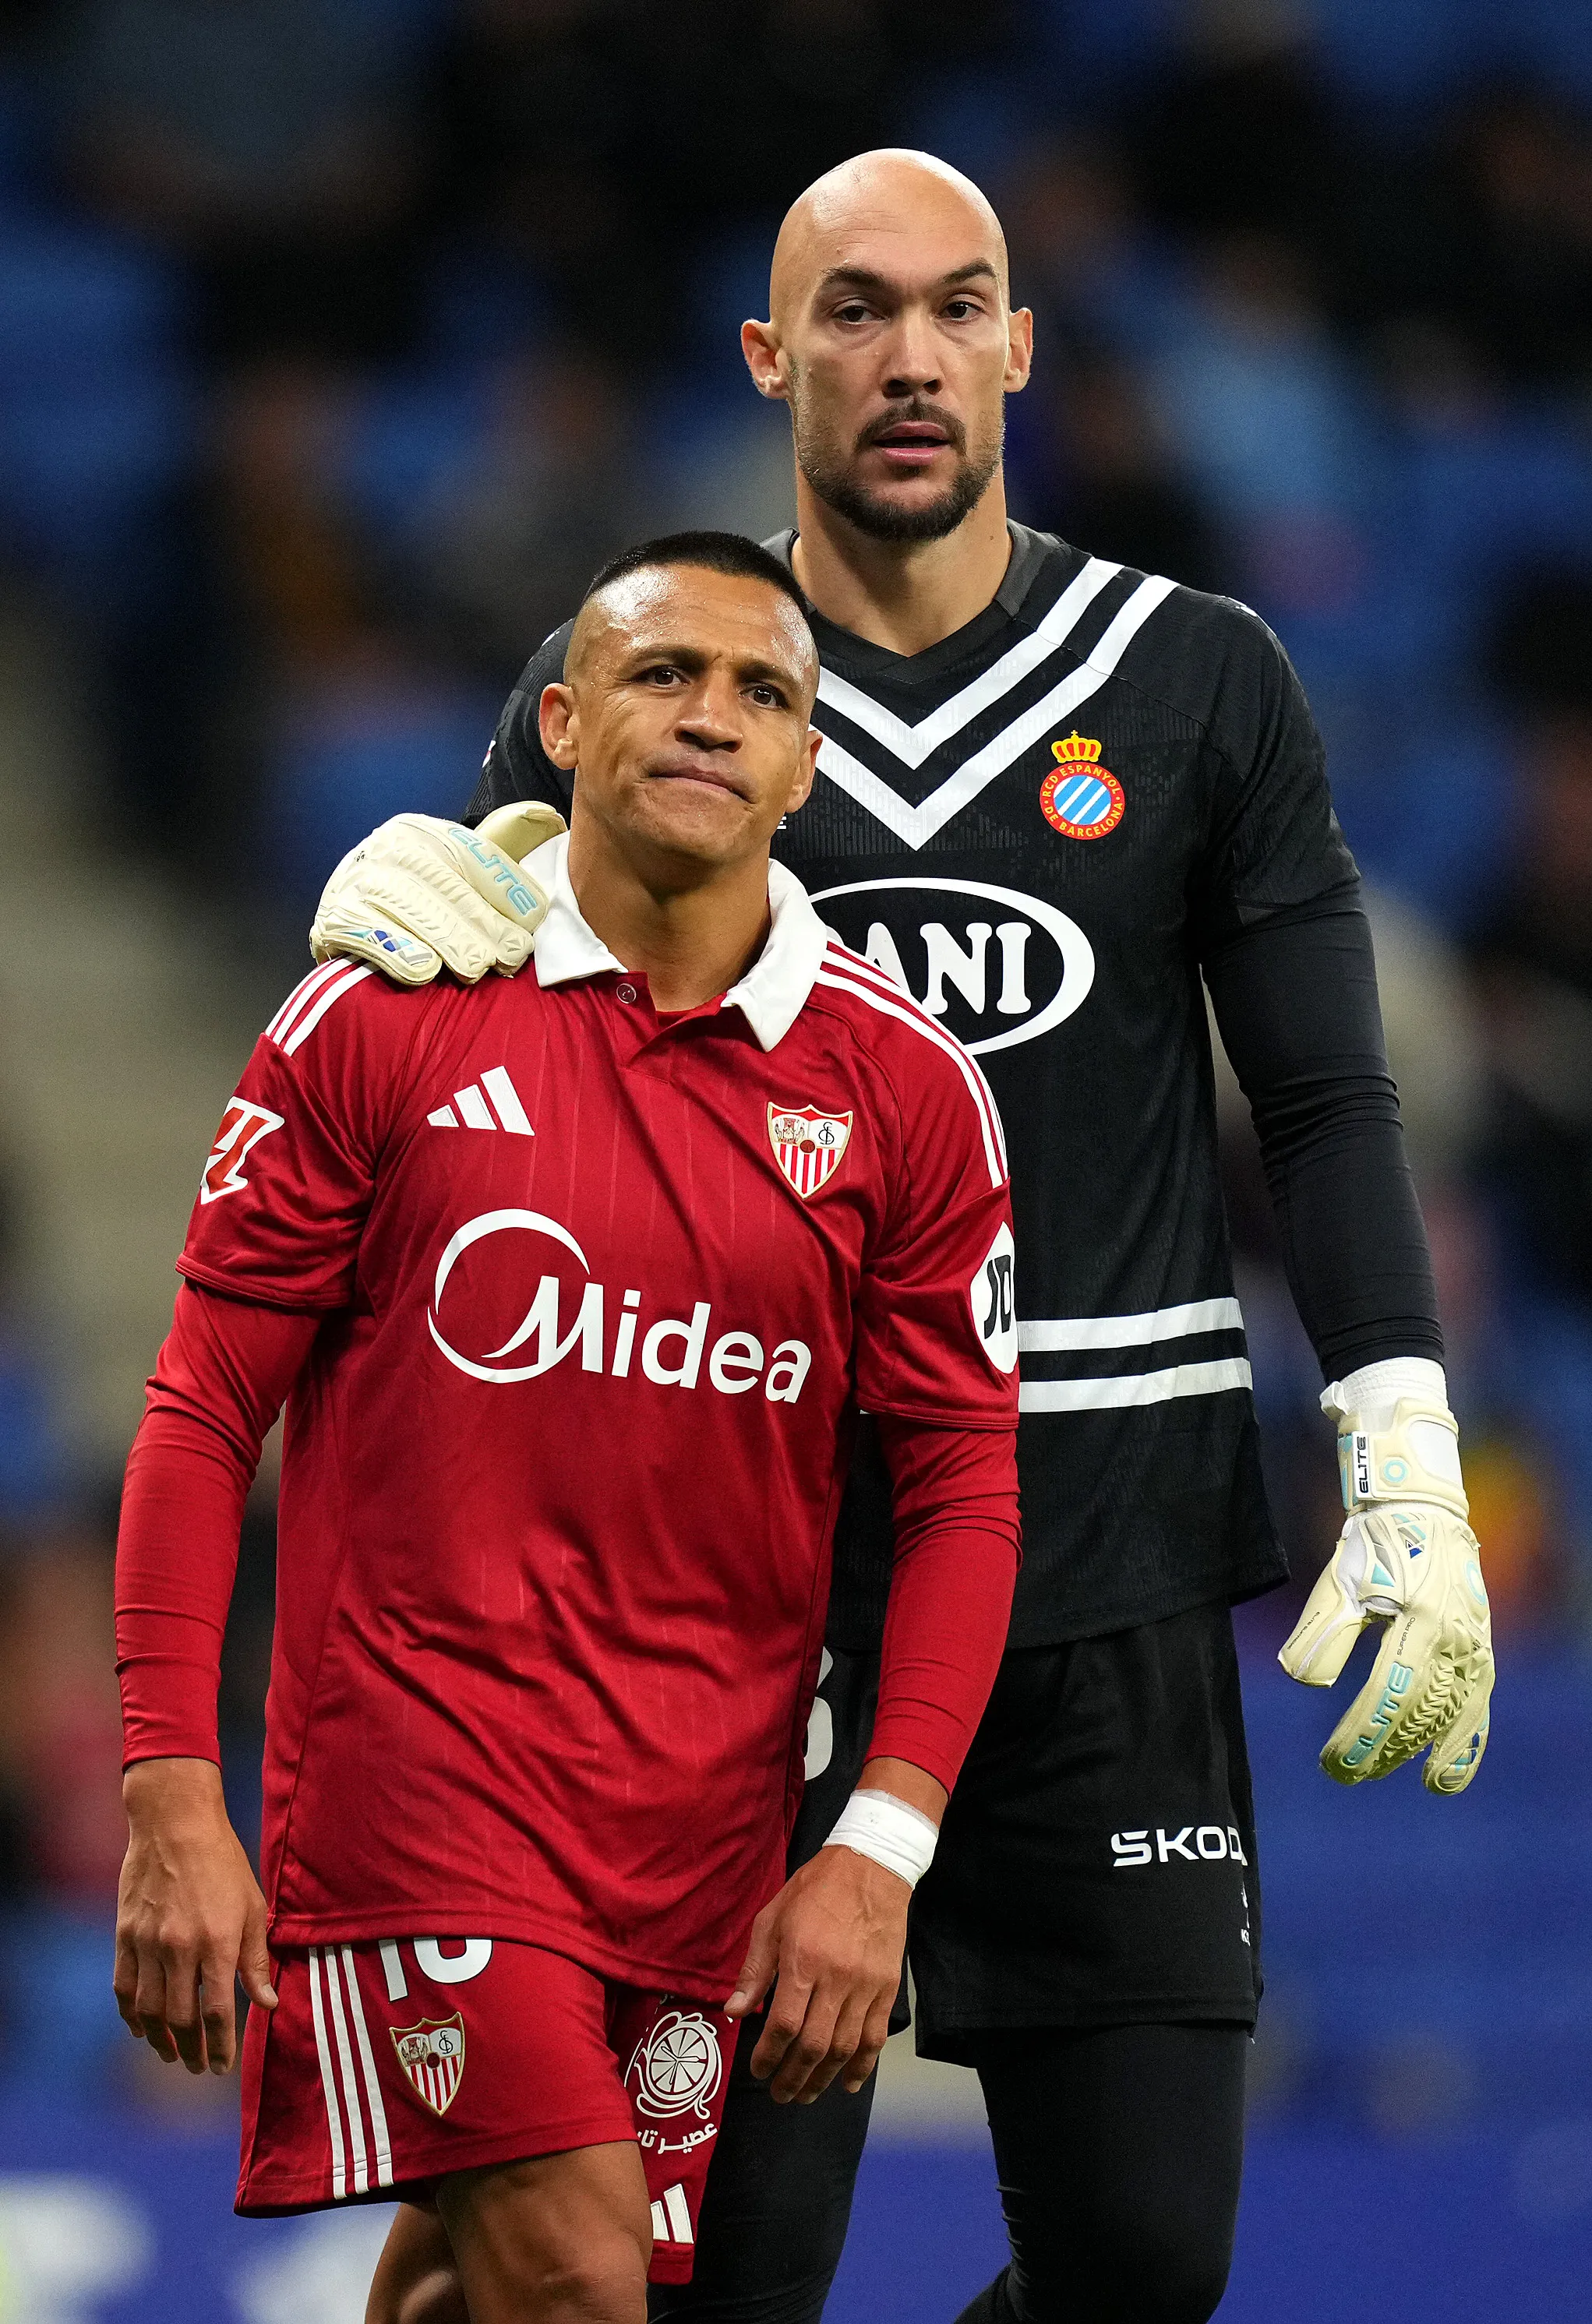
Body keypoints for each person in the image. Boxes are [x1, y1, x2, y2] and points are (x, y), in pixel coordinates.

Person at [308, 153, 1494, 2324]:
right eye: (854, 312)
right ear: (770, 359)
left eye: (960, 307)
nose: (912, 356)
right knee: (720, 2279)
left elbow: (1325, 1101)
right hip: (736, 1604)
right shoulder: (656, 679)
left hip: (1109, 1566)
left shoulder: (1197, 681)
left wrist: (1398, 1438)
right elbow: (491, 1165)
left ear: (1025, 347)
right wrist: (396, 991)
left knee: (1142, 2264)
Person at [111, 534, 1025, 2324]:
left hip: (704, 1829)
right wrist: (168, 1788)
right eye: (662, 674)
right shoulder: (385, 1016)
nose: (711, 717)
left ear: (809, 765)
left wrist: (881, 1845)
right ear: (560, 721)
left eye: (762, 691)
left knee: (479, 2284)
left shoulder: (905, 1091)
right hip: (420, 1796)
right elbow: (204, 1403)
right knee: (583, 2288)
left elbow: (965, 1485)